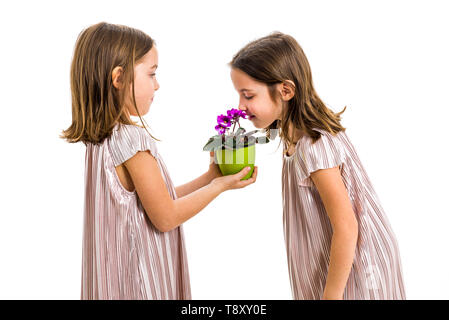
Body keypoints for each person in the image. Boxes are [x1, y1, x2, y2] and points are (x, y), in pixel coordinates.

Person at [61, 22, 257, 300]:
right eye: (151, 74)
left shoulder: (101, 141)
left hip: (112, 283)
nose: (157, 84)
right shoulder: (132, 140)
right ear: (118, 78)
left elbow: (154, 203)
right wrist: (219, 187)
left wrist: (210, 177)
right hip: (140, 282)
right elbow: (165, 217)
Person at [229, 32, 405, 300]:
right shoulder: (292, 135)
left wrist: (330, 297)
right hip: (330, 262)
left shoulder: (314, 145)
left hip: (360, 269)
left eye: (248, 96)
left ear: (286, 91)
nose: (240, 106)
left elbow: (346, 226)